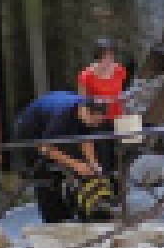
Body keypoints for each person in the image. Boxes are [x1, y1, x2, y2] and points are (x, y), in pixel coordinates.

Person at [11, 90, 118, 223]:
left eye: (99, 121)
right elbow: (45, 148)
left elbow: (86, 137)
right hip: (31, 133)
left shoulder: (88, 114)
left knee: (77, 167)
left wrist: (93, 163)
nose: (97, 124)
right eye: (95, 121)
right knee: (45, 176)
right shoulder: (62, 117)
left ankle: (73, 212)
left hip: (52, 131)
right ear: (85, 111)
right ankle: (53, 221)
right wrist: (77, 165)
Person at [77, 39, 128, 112]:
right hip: (96, 116)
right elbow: (82, 108)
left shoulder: (121, 71)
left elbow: (126, 96)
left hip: (118, 116)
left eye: (111, 56)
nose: (108, 60)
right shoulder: (85, 75)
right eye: (103, 56)